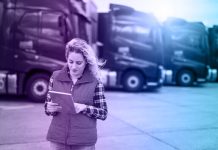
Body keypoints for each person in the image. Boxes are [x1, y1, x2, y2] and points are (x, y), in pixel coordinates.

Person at [44, 38, 108, 150]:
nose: (74, 67)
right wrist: (49, 108)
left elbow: (103, 113)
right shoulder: (55, 77)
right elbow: (48, 107)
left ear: (86, 62)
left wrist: (84, 108)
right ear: (67, 59)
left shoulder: (95, 81)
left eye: (79, 63)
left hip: (83, 141)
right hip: (58, 139)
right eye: (71, 62)